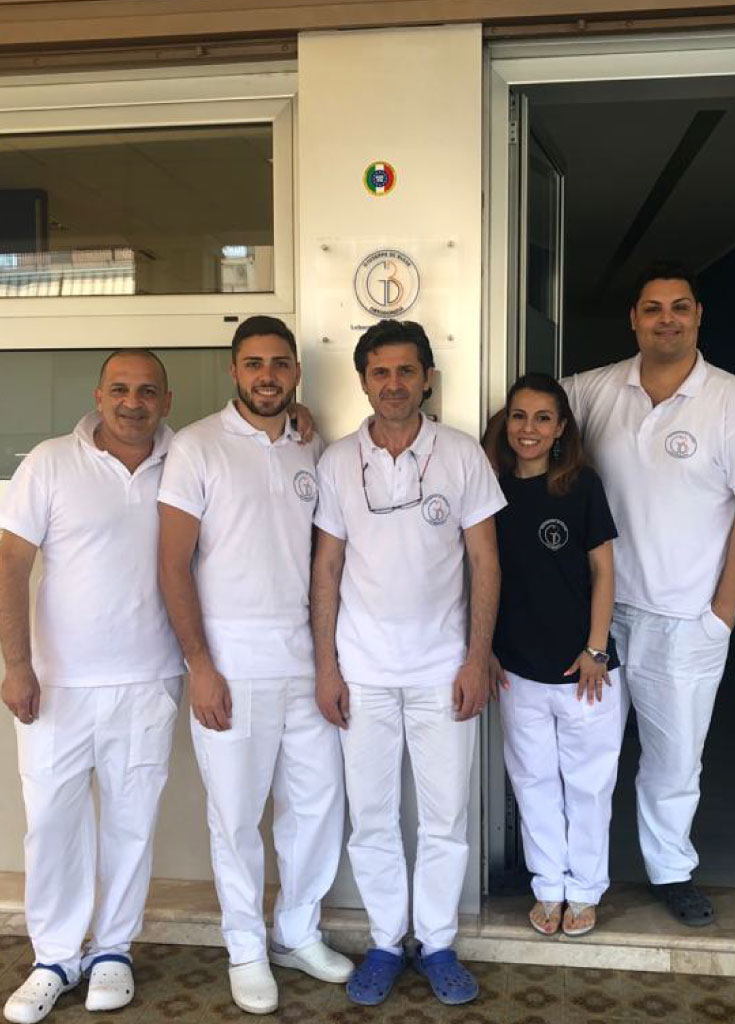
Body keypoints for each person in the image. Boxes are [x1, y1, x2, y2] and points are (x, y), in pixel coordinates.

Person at [562, 261, 735, 924]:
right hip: (601, 614)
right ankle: (574, 873)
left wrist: (723, 613)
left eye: (680, 307)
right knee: (588, 754)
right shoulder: (597, 389)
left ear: (698, 315)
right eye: (653, 308)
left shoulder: (731, 401)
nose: (667, 319)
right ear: (634, 319)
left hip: (685, 618)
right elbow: (521, 415)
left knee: (674, 760)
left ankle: (671, 870)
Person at [157, 315, 352, 1016]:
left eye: (279, 363)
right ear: (234, 371)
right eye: (253, 363)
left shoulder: (311, 445)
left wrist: (327, 663)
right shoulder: (196, 447)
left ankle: (297, 932)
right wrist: (200, 666)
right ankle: (245, 946)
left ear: (296, 372)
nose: (267, 376)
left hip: (305, 662)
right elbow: (172, 564)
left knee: (317, 805)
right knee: (236, 817)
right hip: (231, 665)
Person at [311, 319, 505, 1007]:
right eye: (380, 372)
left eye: (405, 371)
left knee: (446, 816)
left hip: (442, 670)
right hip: (362, 671)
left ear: (427, 379)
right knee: (372, 818)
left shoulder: (460, 455)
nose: (393, 384)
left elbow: (486, 562)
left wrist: (476, 659)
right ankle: (388, 942)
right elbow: (326, 568)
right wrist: (327, 667)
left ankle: (439, 942)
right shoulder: (338, 462)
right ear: (364, 381)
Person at [0, 350, 183, 1024]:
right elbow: (10, 563)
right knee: (52, 823)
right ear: (98, 396)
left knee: (131, 825)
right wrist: (16, 664)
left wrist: (300, 415)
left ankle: (112, 950)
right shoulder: (50, 462)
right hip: (57, 684)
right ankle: (53, 958)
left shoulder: (186, 460)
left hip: (148, 677)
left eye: (147, 391)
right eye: (120, 389)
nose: (133, 402)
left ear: (166, 400)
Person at [489, 373, 622, 939]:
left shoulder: (582, 486)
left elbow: (604, 572)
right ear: (507, 423)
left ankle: (585, 889)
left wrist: (596, 648)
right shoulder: (490, 489)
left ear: (561, 427)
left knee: (589, 785)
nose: (530, 429)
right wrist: (487, 648)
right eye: (520, 416)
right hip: (517, 668)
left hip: (584, 670)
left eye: (543, 418)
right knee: (533, 782)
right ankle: (549, 886)